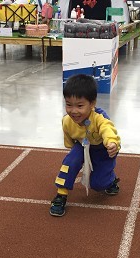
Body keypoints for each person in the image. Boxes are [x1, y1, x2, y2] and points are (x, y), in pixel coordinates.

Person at [50, 74, 121, 217]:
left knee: (98, 184)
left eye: (80, 106)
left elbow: (107, 129)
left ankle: (110, 179)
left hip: (103, 149)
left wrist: (111, 143)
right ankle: (61, 194)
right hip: (82, 146)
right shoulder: (66, 121)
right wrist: (76, 156)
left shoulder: (99, 118)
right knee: (70, 162)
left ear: (92, 103)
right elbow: (70, 141)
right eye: (69, 105)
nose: (74, 111)